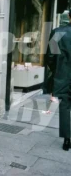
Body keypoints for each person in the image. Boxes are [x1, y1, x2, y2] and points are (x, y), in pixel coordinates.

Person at [46, 9, 71, 151]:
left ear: (69, 16)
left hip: (63, 75)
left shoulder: (58, 32)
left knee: (65, 106)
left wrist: (57, 70)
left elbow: (50, 56)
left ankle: (67, 139)